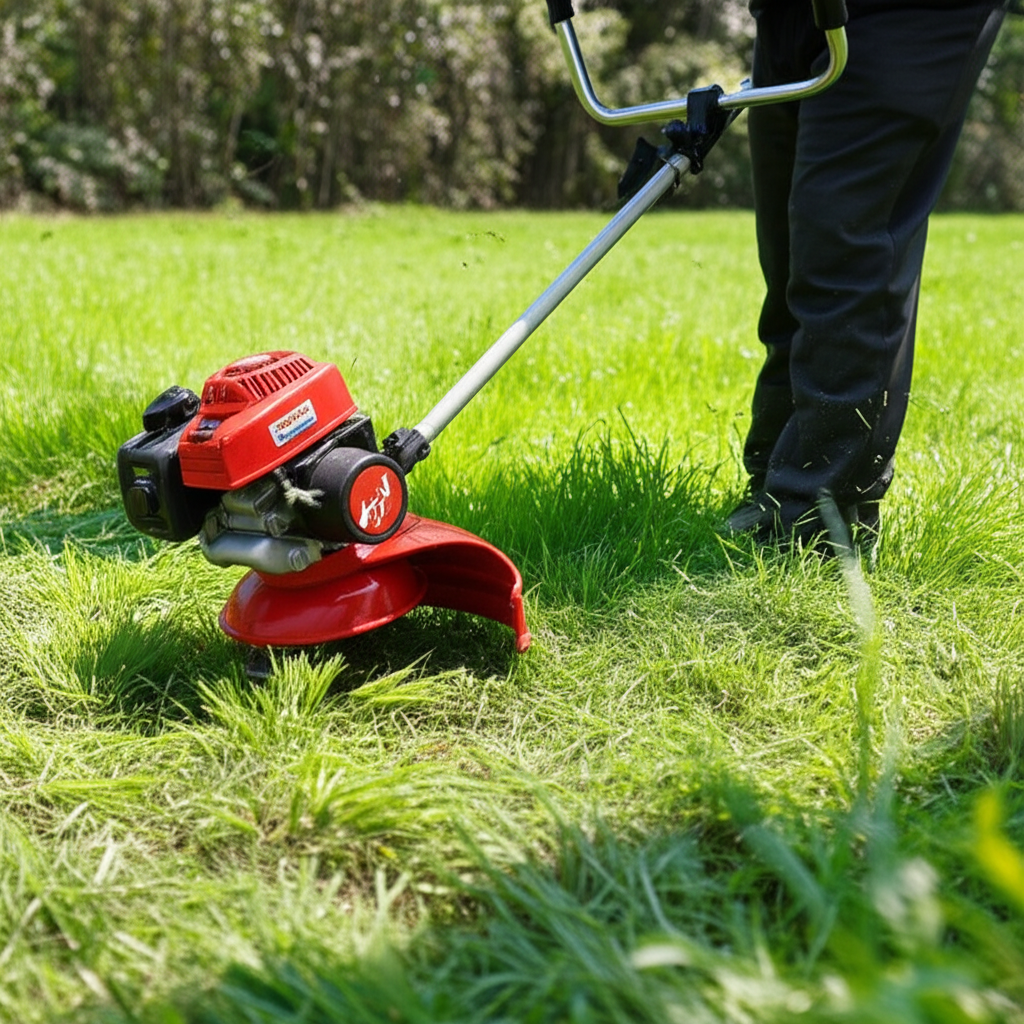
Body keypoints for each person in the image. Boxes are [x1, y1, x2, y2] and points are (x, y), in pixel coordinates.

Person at [727, 0, 1010, 549]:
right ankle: (771, 485)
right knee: (792, 256)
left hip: (904, 13)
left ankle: (818, 521)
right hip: (789, 12)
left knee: (844, 241)